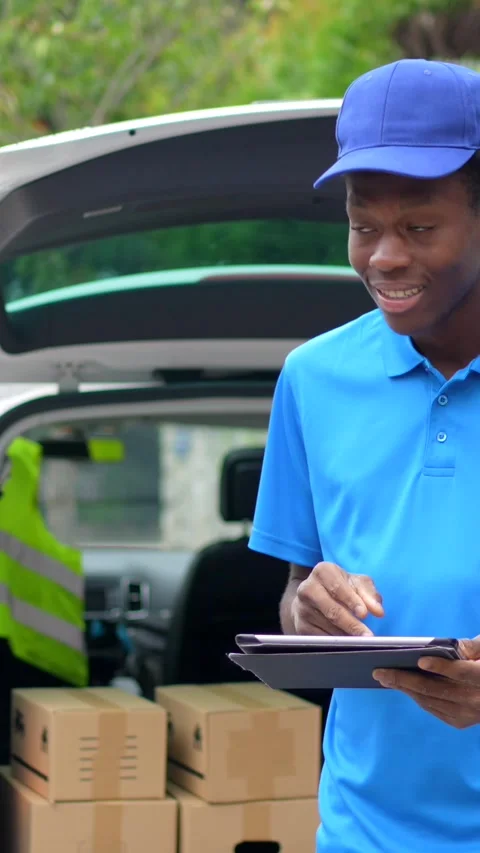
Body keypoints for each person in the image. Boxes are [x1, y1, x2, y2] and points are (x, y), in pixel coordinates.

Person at [249, 58, 480, 853]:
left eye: (418, 227)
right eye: (362, 224)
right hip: (363, 834)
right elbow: (292, 600)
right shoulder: (313, 381)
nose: (383, 257)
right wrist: (307, 613)